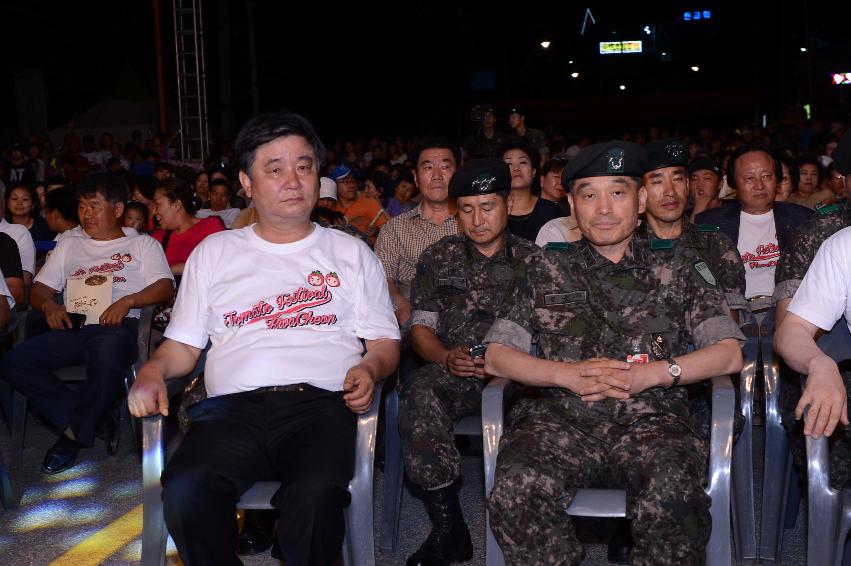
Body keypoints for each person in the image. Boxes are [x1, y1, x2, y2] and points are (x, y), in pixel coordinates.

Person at [127, 112, 400, 565]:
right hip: (230, 411)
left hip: (321, 405)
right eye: (274, 169)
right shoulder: (216, 252)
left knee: (315, 496)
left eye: (304, 166)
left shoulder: (351, 253)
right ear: (246, 183)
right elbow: (183, 345)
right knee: (184, 488)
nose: (292, 180)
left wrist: (371, 368)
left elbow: (385, 344)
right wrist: (153, 370)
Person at [483, 141, 744, 565]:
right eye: (589, 195)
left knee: (674, 491)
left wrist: (654, 374)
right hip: (561, 422)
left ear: (641, 200)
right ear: (571, 204)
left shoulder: (679, 266)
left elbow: (729, 354)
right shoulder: (542, 267)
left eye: (617, 193)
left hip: (653, 422)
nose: (603, 208)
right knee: (515, 487)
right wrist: (565, 375)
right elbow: (497, 357)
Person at [400, 159, 539, 566]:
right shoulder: (437, 257)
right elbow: (421, 329)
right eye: (467, 209)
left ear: (507, 204)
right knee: (420, 389)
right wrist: (445, 356)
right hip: (458, 372)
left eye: (488, 207)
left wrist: (509, 364)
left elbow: (551, 339)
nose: (477, 219)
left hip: (519, 379)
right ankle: (448, 526)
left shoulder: (536, 261)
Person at [3, 172, 174, 474]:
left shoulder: (142, 246)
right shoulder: (70, 244)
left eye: (94, 206)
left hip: (118, 326)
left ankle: (71, 437)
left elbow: (164, 287)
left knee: (108, 353)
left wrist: (128, 301)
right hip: (74, 325)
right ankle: (91, 417)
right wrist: (51, 306)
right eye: (82, 207)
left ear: (118, 209)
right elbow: (40, 291)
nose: (86, 214)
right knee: (14, 361)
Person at [696, 144, 811, 310]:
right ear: (734, 183)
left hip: (791, 309)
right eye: (749, 178)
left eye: (766, 176)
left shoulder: (802, 219)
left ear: (777, 180)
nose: (759, 186)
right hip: (735, 312)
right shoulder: (711, 224)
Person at [642, 139, 747, 317]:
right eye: (657, 182)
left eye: (677, 179)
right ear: (641, 192)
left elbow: (731, 317)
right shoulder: (627, 248)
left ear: (687, 186)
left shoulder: (714, 242)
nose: (670, 191)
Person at [374, 138, 460, 330]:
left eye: (445, 166)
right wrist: (399, 305)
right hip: (414, 324)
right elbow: (382, 279)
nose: (437, 175)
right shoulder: (394, 229)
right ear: (416, 178)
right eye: (428, 168)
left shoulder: (475, 223)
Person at [151, 178, 224, 276]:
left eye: (157, 204)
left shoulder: (210, 226)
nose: (154, 211)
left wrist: (167, 270)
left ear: (176, 205)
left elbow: (218, 262)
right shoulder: (158, 237)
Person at [502, 140, 565, 241]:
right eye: (509, 164)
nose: (516, 168)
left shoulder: (553, 211)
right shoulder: (492, 211)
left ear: (534, 172)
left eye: (522, 162)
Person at [332, 165, 387, 242]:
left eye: (353, 180)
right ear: (334, 185)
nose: (352, 185)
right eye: (346, 181)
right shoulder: (331, 206)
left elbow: (388, 230)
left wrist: (376, 231)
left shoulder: (369, 202)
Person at [687, 157, 724, 222]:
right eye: (694, 179)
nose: (699, 184)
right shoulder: (681, 215)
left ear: (720, 183)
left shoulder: (734, 209)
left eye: (707, 178)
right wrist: (698, 209)